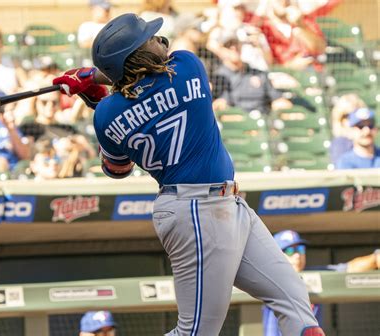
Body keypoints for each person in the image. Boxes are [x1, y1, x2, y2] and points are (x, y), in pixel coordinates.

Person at [53, 13, 325, 335]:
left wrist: (99, 93)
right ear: (139, 55)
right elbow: (151, 76)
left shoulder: (105, 114)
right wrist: (96, 78)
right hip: (196, 211)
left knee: (297, 307)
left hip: (224, 205)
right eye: (150, 39)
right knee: (195, 332)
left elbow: (118, 169)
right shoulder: (188, 66)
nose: (160, 41)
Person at [263, 230, 380, 335]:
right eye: (289, 251)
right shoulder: (268, 278)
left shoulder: (316, 275)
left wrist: (375, 258)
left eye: (300, 249)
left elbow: (349, 268)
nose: (297, 255)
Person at [210, 30, 292, 114]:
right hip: (237, 121)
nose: (234, 48)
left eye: (236, 44)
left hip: (263, 119)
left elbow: (277, 99)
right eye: (228, 46)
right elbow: (221, 105)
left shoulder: (258, 73)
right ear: (220, 50)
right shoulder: (219, 77)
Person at [329, 94, 366, 164]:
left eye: (355, 115)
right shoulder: (340, 143)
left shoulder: (369, 138)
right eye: (347, 116)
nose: (352, 120)